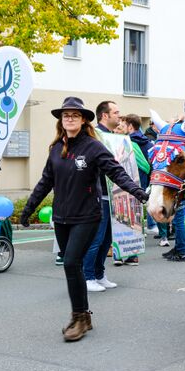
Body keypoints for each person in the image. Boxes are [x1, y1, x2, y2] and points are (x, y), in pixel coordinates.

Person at [19, 97, 148, 342]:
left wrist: (138, 193)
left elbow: (116, 172)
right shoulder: (56, 148)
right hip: (62, 217)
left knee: (70, 263)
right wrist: (28, 209)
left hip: (87, 216)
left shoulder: (93, 147)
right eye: (65, 115)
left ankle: (79, 316)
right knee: (73, 267)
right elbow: (46, 181)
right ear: (61, 120)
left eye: (75, 115)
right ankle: (84, 316)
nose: (69, 118)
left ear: (84, 120)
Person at [84, 100, 130, 282]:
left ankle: (99, 274)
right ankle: (88, 278)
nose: (119, 115)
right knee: (96, 239)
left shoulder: (112, 136)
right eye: (116, 112)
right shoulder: (94, 136)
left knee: (106, 240)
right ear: (105, 115)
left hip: (113, 195)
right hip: (98, 195)